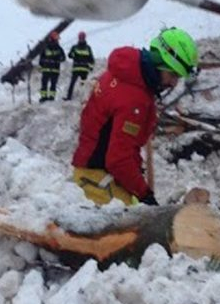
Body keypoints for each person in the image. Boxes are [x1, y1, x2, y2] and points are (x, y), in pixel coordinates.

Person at [71, 27, 198, 206]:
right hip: (98, 180)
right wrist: (144, 194)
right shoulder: (134, 100)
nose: (174, 83)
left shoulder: (124, 74)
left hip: (89, 172)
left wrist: (136, 173)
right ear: (160, 63)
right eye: (173, 74)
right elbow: (118, 159)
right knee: (140, 229)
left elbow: (122, 144)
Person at [65, 32, 95, 101]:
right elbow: (69, 55)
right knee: (73, 83)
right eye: (81, 38)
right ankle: (69, 97)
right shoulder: (80, 47)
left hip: (83, 69)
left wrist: (91, 66)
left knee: (83, 84)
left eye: (82, 38)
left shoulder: (85, 48)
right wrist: (91, 67)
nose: (81, 39)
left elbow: (91, 59)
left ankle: (81, 98)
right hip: (78, 69)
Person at [38, 31, 66, 102]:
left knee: (47, 84)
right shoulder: (58, 48)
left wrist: (44, 64)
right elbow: (63, 58)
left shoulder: (47, 48)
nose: (57, 41)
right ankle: (49, 97)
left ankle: (46, 97)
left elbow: (41, 60)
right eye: (56, 39)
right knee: (50, 84)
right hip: (53, 70)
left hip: (49, 70)